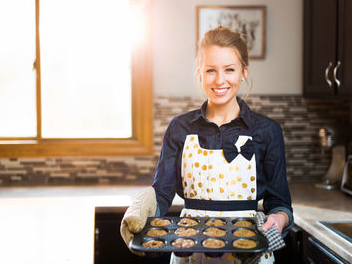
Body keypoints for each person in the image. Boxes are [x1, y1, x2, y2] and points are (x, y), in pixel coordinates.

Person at [121, 26, 293, 264]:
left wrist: (279, 219)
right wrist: (141, 209)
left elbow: (280, 202)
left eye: (229, 70)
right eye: (211, 70)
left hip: (249, 252)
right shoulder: (179, 128)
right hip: (188, 248)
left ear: (244, 71)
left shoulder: (267, 131)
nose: (220, 80)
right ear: (199, 73)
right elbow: (162, 192)